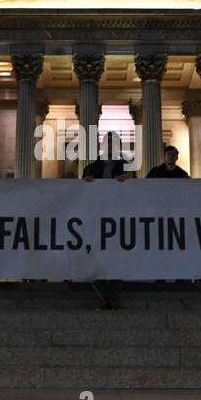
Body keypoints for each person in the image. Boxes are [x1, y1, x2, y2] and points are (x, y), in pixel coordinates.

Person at [83, 131, 130, 309]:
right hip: (96, 217)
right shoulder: (90, 168)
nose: (110, 147)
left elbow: (137, 189)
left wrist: (128, 182)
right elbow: (80, 193)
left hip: (118, 218)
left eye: (114, 144)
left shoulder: (127, 167)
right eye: (108, 143)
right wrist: (84, 182)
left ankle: (113, 296)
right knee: (98, 256)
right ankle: (104, 296)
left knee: (115, 256)